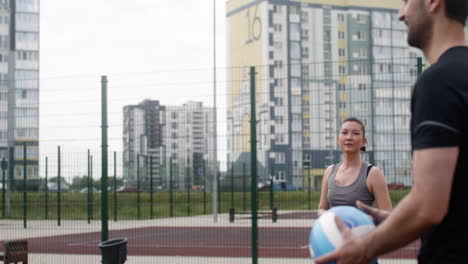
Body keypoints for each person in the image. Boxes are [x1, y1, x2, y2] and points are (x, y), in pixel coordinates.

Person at [316, 0, 468, 263]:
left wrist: (363, 248)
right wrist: (396, 220)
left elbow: (428, 207)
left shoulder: (439, 82)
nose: (400, 15)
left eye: (407, 2)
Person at [317, 117, 392, 219]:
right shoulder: (330, 171)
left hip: (362, 234)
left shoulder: (373, 173)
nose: (349, 137)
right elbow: (321, 208)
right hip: (333, 233)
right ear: (338, 139)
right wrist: (331, 218)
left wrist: (362, 220)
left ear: (363, 142)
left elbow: (387, 215)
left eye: (355, 133)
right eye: (344, 132)